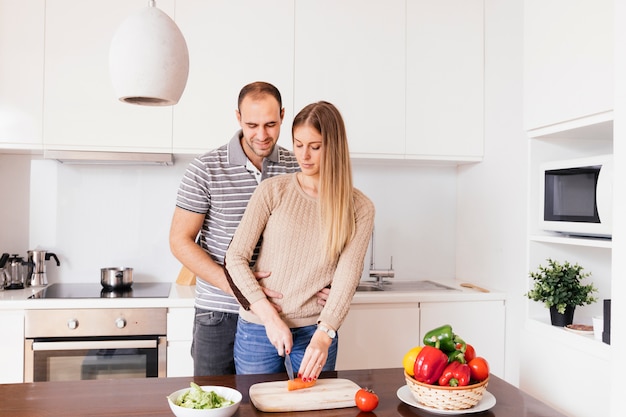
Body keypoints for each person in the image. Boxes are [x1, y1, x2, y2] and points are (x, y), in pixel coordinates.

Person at [170, 81, 317, 376]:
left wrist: (322, 284)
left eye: (270, 124)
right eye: (252, 124)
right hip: (219, 311)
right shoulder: (206, 169)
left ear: (283, 116)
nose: (261, 135)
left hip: (281, 313)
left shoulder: (297, 165)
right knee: (214, 401)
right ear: (237, 118)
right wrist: (237, 286)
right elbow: (180, 241)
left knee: (272, 403)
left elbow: (315, 235)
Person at [224, 101, 375, 382]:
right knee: (253, 408)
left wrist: (325, 333)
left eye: (315, 147)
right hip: (259, 330)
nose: (304, 155)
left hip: (315, 332)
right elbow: (235, 257)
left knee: (313, 410)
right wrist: (269, 317)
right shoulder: (273, 190)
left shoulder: (359, 207)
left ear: (335, 147)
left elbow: (348, 275)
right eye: (298, 144)